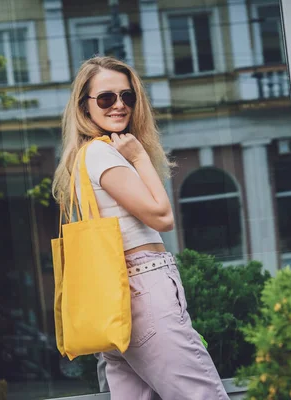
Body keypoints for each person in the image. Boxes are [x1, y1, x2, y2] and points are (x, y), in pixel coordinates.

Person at [52, 56, 229, 400]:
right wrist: (139, 157)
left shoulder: (83, 157)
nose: (119, 105)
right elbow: (162, 217)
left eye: (127, 97)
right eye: (106, 98)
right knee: (202, 395)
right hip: (143, 291)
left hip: (115, 302)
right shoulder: (103, 154)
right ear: (84, 107)